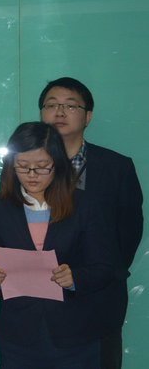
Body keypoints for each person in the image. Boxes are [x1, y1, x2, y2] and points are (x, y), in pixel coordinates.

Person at [0, 121, 113, 369]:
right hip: (18, 335)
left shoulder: (84, 205)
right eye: (23, 166)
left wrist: (75, 278)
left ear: (58, 164)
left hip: (75, 333)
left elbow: (105, 267)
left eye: (42, 167)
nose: (32, 175)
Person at [39, 77, 143, 369]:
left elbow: (129, 230)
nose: (60, 112)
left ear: (88, 117)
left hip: (98, 298)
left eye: (70, 106)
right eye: (52, 105)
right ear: (41, 114)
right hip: (41, 295)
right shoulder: (26, 166)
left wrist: (100, 273)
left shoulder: (117, 167)